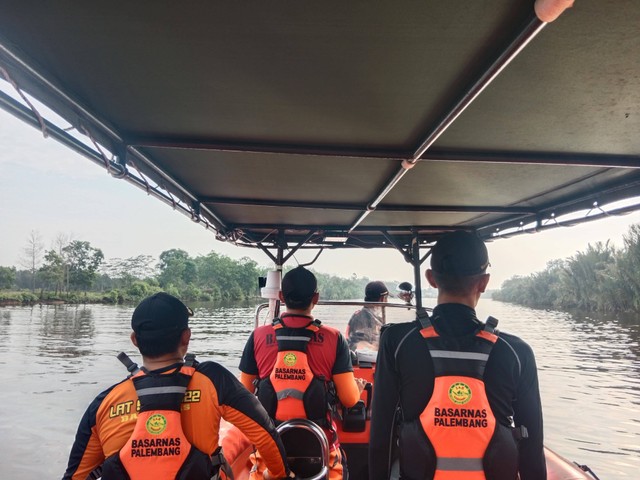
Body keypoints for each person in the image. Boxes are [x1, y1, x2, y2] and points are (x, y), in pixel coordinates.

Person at [369, 231, 546, 480]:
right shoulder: (517, 351)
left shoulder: (397, 342)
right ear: (484, 282)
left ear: (431, 278)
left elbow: (381, 437)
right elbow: (532, 448)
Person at [62, 292, 291, 480]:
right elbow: (265, 435)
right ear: (186, 337)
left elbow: (75, 476)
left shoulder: (105, 402)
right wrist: (278, 475)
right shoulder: (213, 380)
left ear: (134, 340)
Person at [239, 266, 366, 480]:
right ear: (315, 298)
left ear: (281, 297)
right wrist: (359, 387)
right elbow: (349, 399)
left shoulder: (258, 336)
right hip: (320, 451)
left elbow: (244, 394)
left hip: (270, 453)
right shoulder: (334, 338)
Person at [346, 281, 389, 350]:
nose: (387, 302)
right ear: (382, 299)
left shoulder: (374, 317)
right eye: (386, 298)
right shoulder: (362, 318)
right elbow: (358, 345)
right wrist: (377, 348)